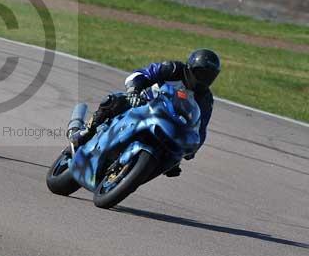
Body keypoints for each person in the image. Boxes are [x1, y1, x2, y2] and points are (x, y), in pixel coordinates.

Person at [68, 49, 221, 177]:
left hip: (170, 124)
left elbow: (200, 127)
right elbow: (141, 74)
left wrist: (191, 150)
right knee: (115, 99)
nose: (204, 80)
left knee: (173, 158)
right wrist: (134, 90)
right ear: (190, 67)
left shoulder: (205, 99)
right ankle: (86, 132)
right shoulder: (173, 69)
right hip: (143, 105)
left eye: (209, 77)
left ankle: (131, 174)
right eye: (201, 74)